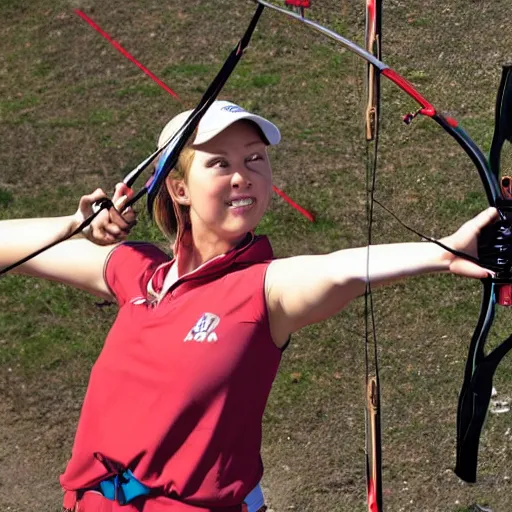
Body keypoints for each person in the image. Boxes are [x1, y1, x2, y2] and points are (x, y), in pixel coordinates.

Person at [0, 100, 498, 512]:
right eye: (220, 163)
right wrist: (74, 224)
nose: (243, 176)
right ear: (179, 189)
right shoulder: (137, 272)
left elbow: (338, 269)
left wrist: (443, 251)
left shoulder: (262, 289)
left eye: (255, 159)